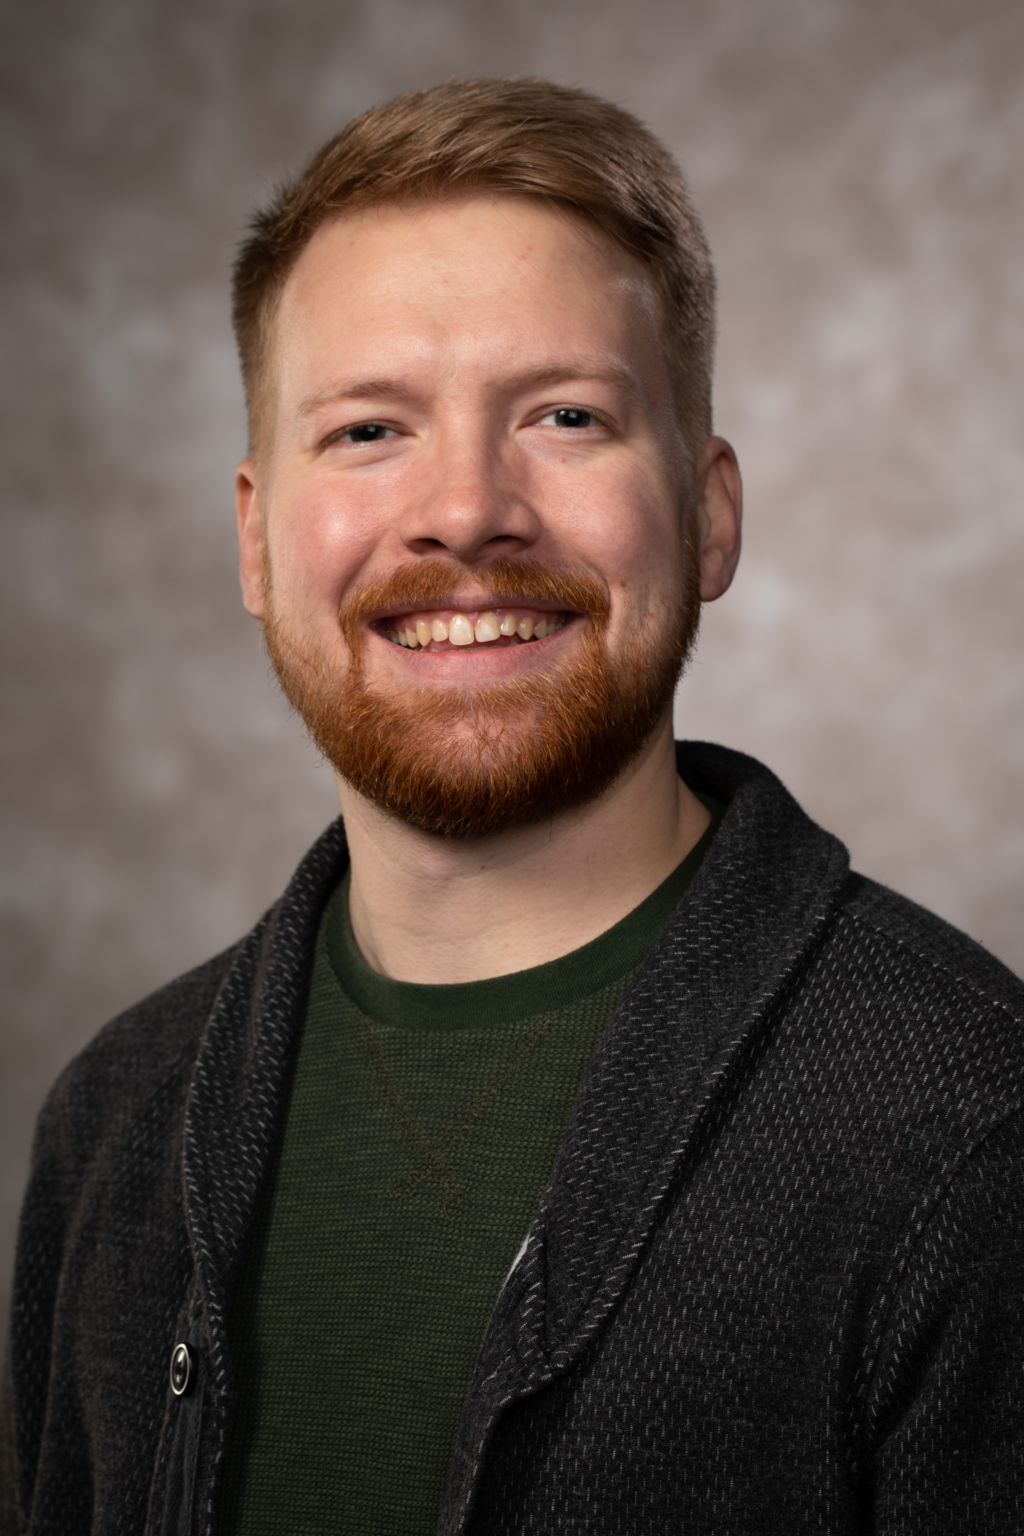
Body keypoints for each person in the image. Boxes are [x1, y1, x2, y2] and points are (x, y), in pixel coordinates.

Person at [2, 77, 1023, 1536]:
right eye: (369, 431)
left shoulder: (967, 1127)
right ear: (255, 539)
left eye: (566, 415)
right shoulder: (115, 1128)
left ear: (710, 513)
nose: (467, 509)